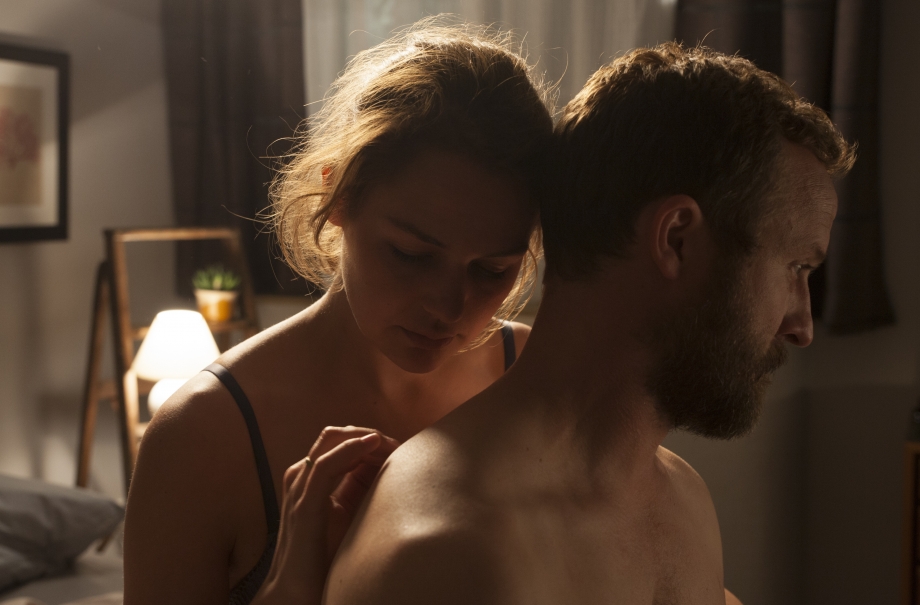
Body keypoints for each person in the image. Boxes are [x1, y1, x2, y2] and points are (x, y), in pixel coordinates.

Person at [325, 42, 854, 605]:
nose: (801, 325)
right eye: (796, 267)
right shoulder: (452, 551)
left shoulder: (682, 499)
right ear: (676, 238)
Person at [122, 19, 553, 605]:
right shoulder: (202, 435)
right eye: (411, 254)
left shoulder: (534, 376)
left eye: (491, 270)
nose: (449, 307)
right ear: (339, 197)